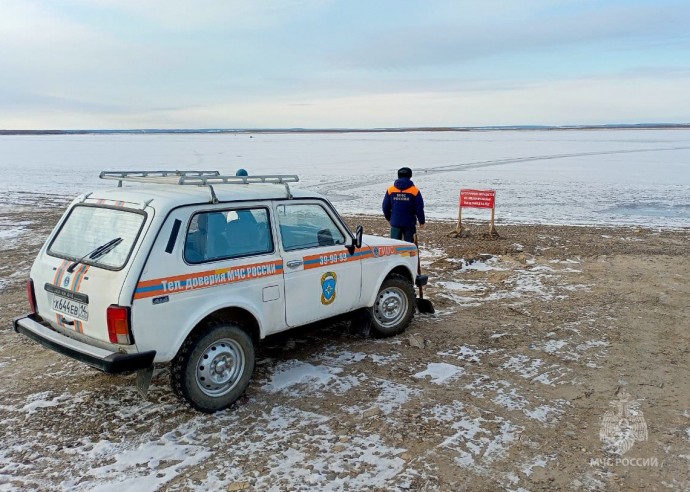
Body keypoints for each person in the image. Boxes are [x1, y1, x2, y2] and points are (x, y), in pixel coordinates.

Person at [382, 167, 425, 243]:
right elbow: (419, 208)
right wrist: (421, 221)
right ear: (410, 176)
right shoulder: (414, 190)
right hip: (409, 223)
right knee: (409, 246)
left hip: (395, 222)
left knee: (394, 245)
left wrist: (389, 218)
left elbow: (385, 206)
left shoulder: (391, 190)